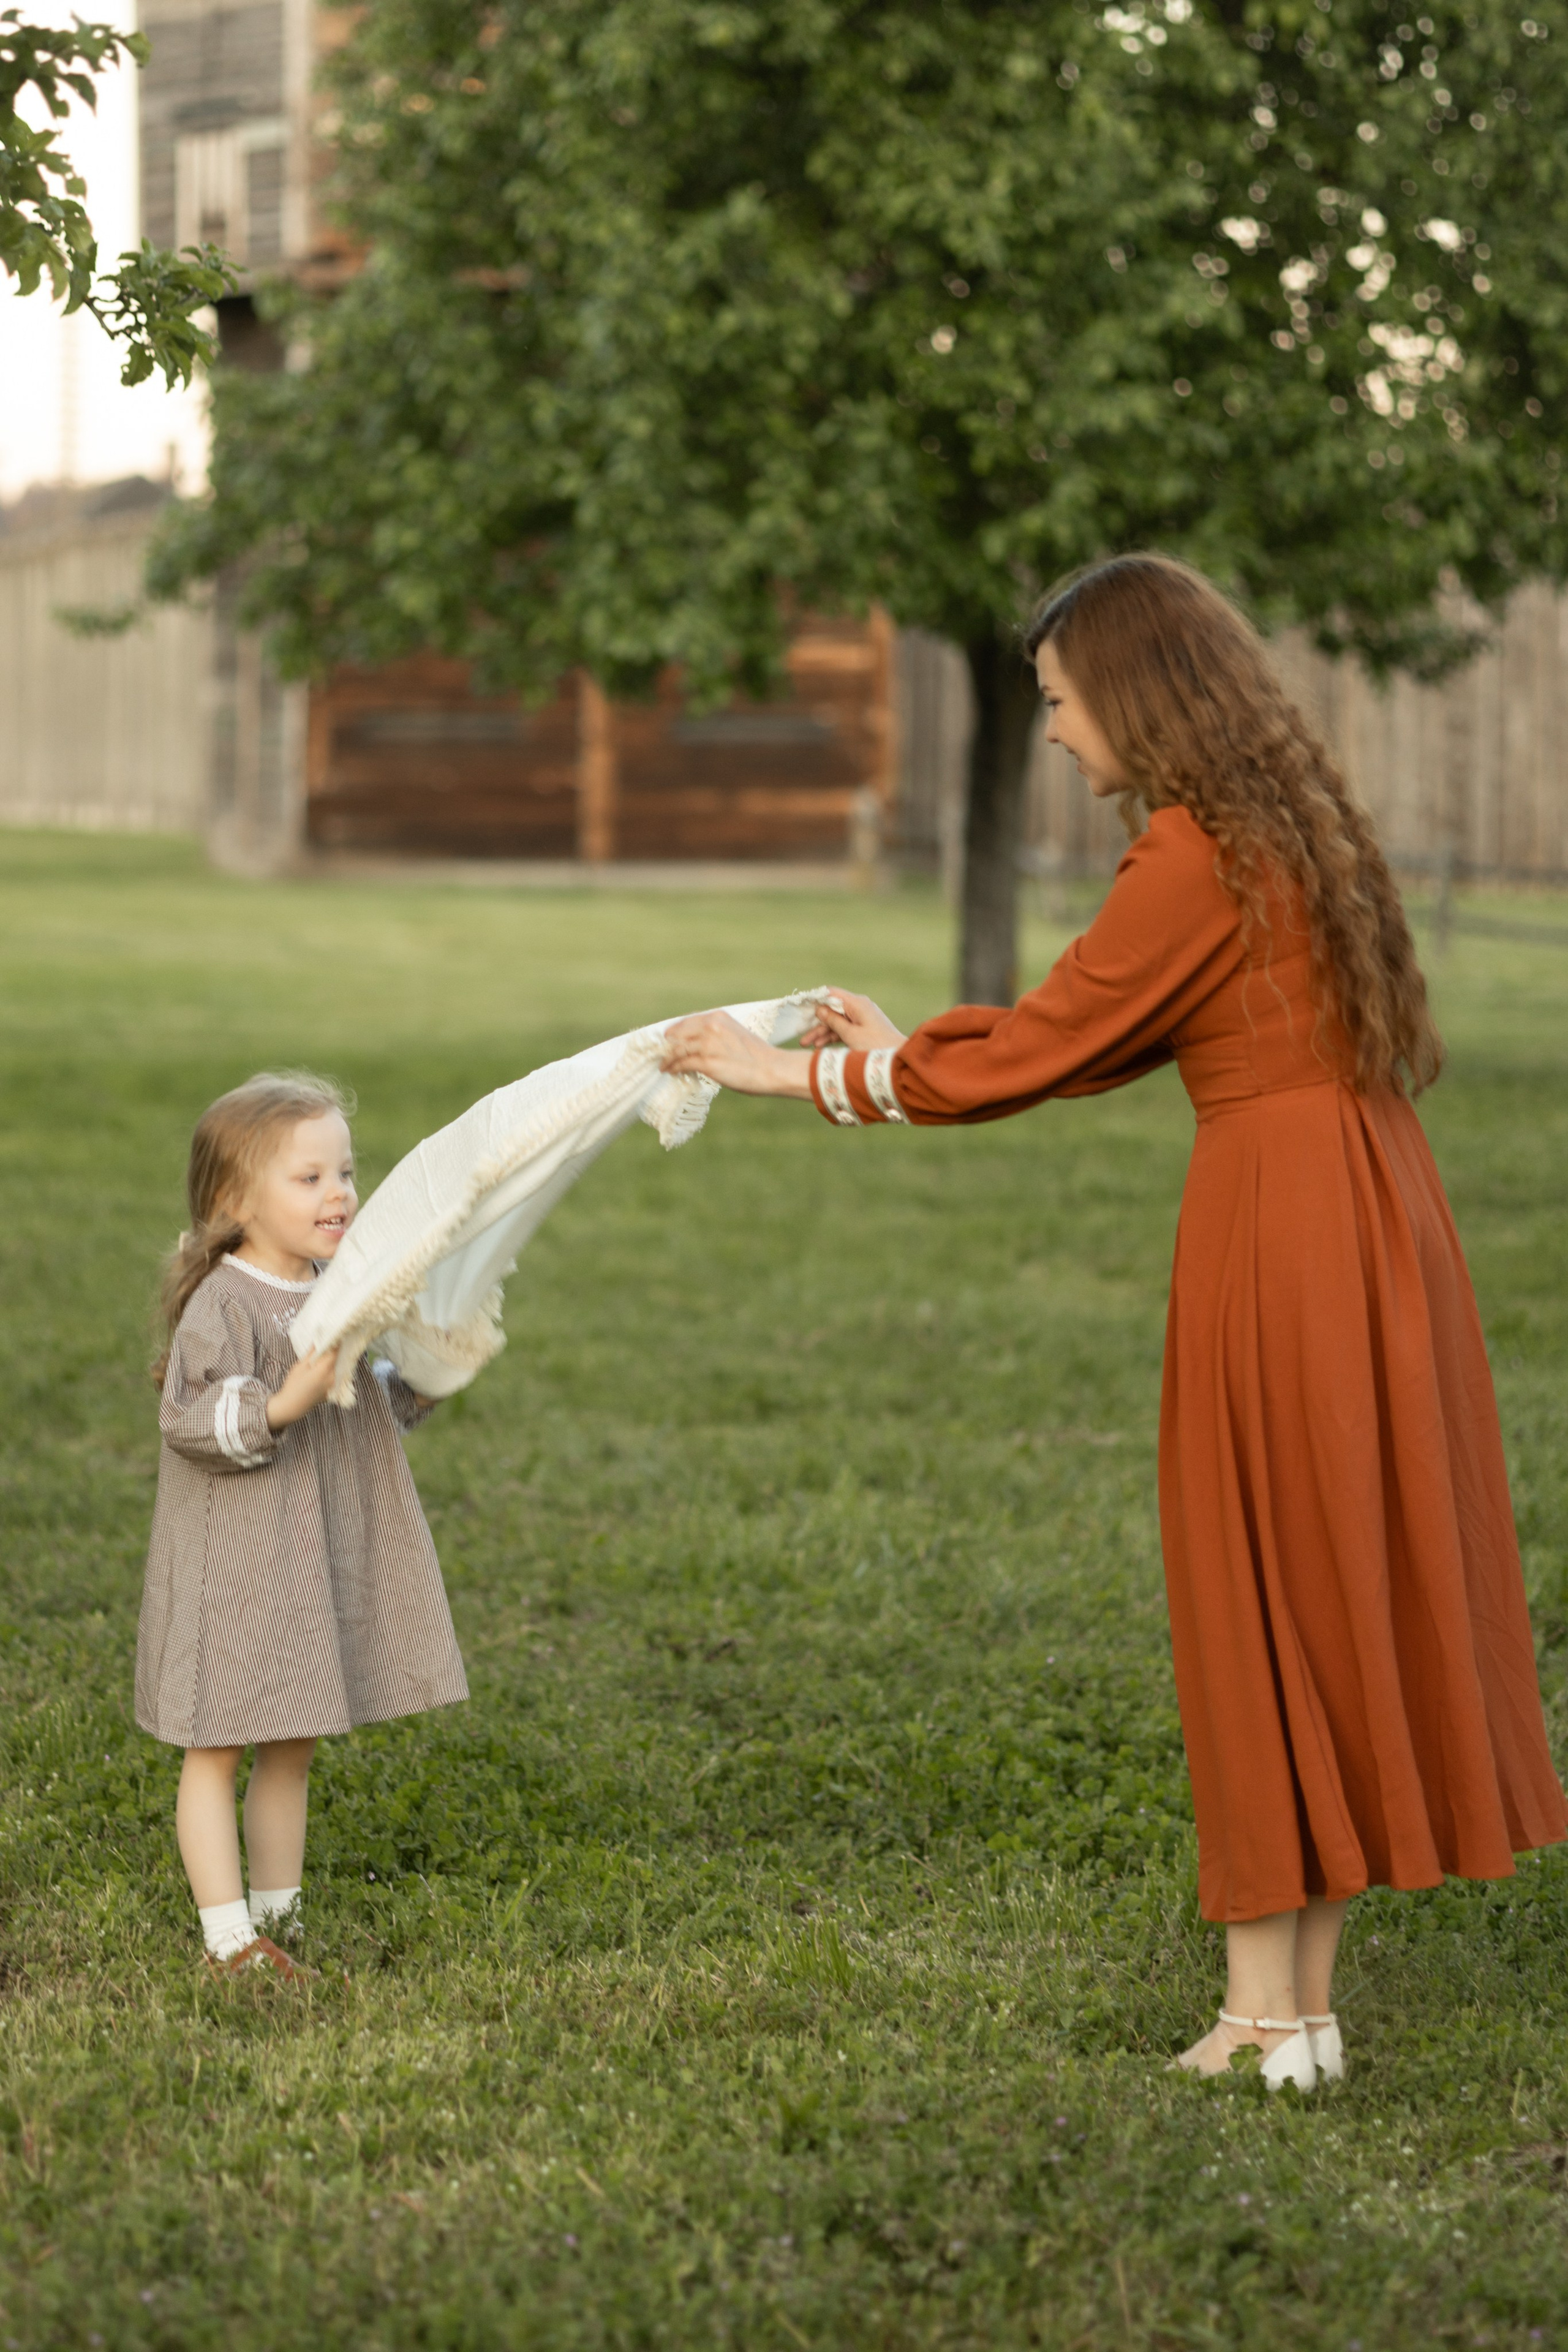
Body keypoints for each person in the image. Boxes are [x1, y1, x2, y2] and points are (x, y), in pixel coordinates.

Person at [660, 554, 1567, 2090]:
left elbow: (1050, 1044)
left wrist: (788, 1076)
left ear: (1136, 697)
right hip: (1363, 1210)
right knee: (1323, 1572)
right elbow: (1092, 1034)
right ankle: (1293, 2017)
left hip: (1281, 1236)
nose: (1063, 738)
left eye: (1065, 704)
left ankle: (1263, 2018)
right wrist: (912, 1045)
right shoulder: (1281, 827)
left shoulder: (1185, 853)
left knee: (1256, 1586)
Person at [137, 1072, 468, 1978]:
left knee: (294, 1739)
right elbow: (188, 1420)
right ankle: (228, 1940)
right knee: (217, 1746)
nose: (340, 1195)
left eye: (345, 1173)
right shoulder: (227, 1303)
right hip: (239, 1563)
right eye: (309, 1178)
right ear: (235, 1203)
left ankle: (283, 1913)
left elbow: (370, 1404)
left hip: (309, 1557)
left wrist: (428, 1378)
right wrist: (281, 1403)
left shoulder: (342, 1287)